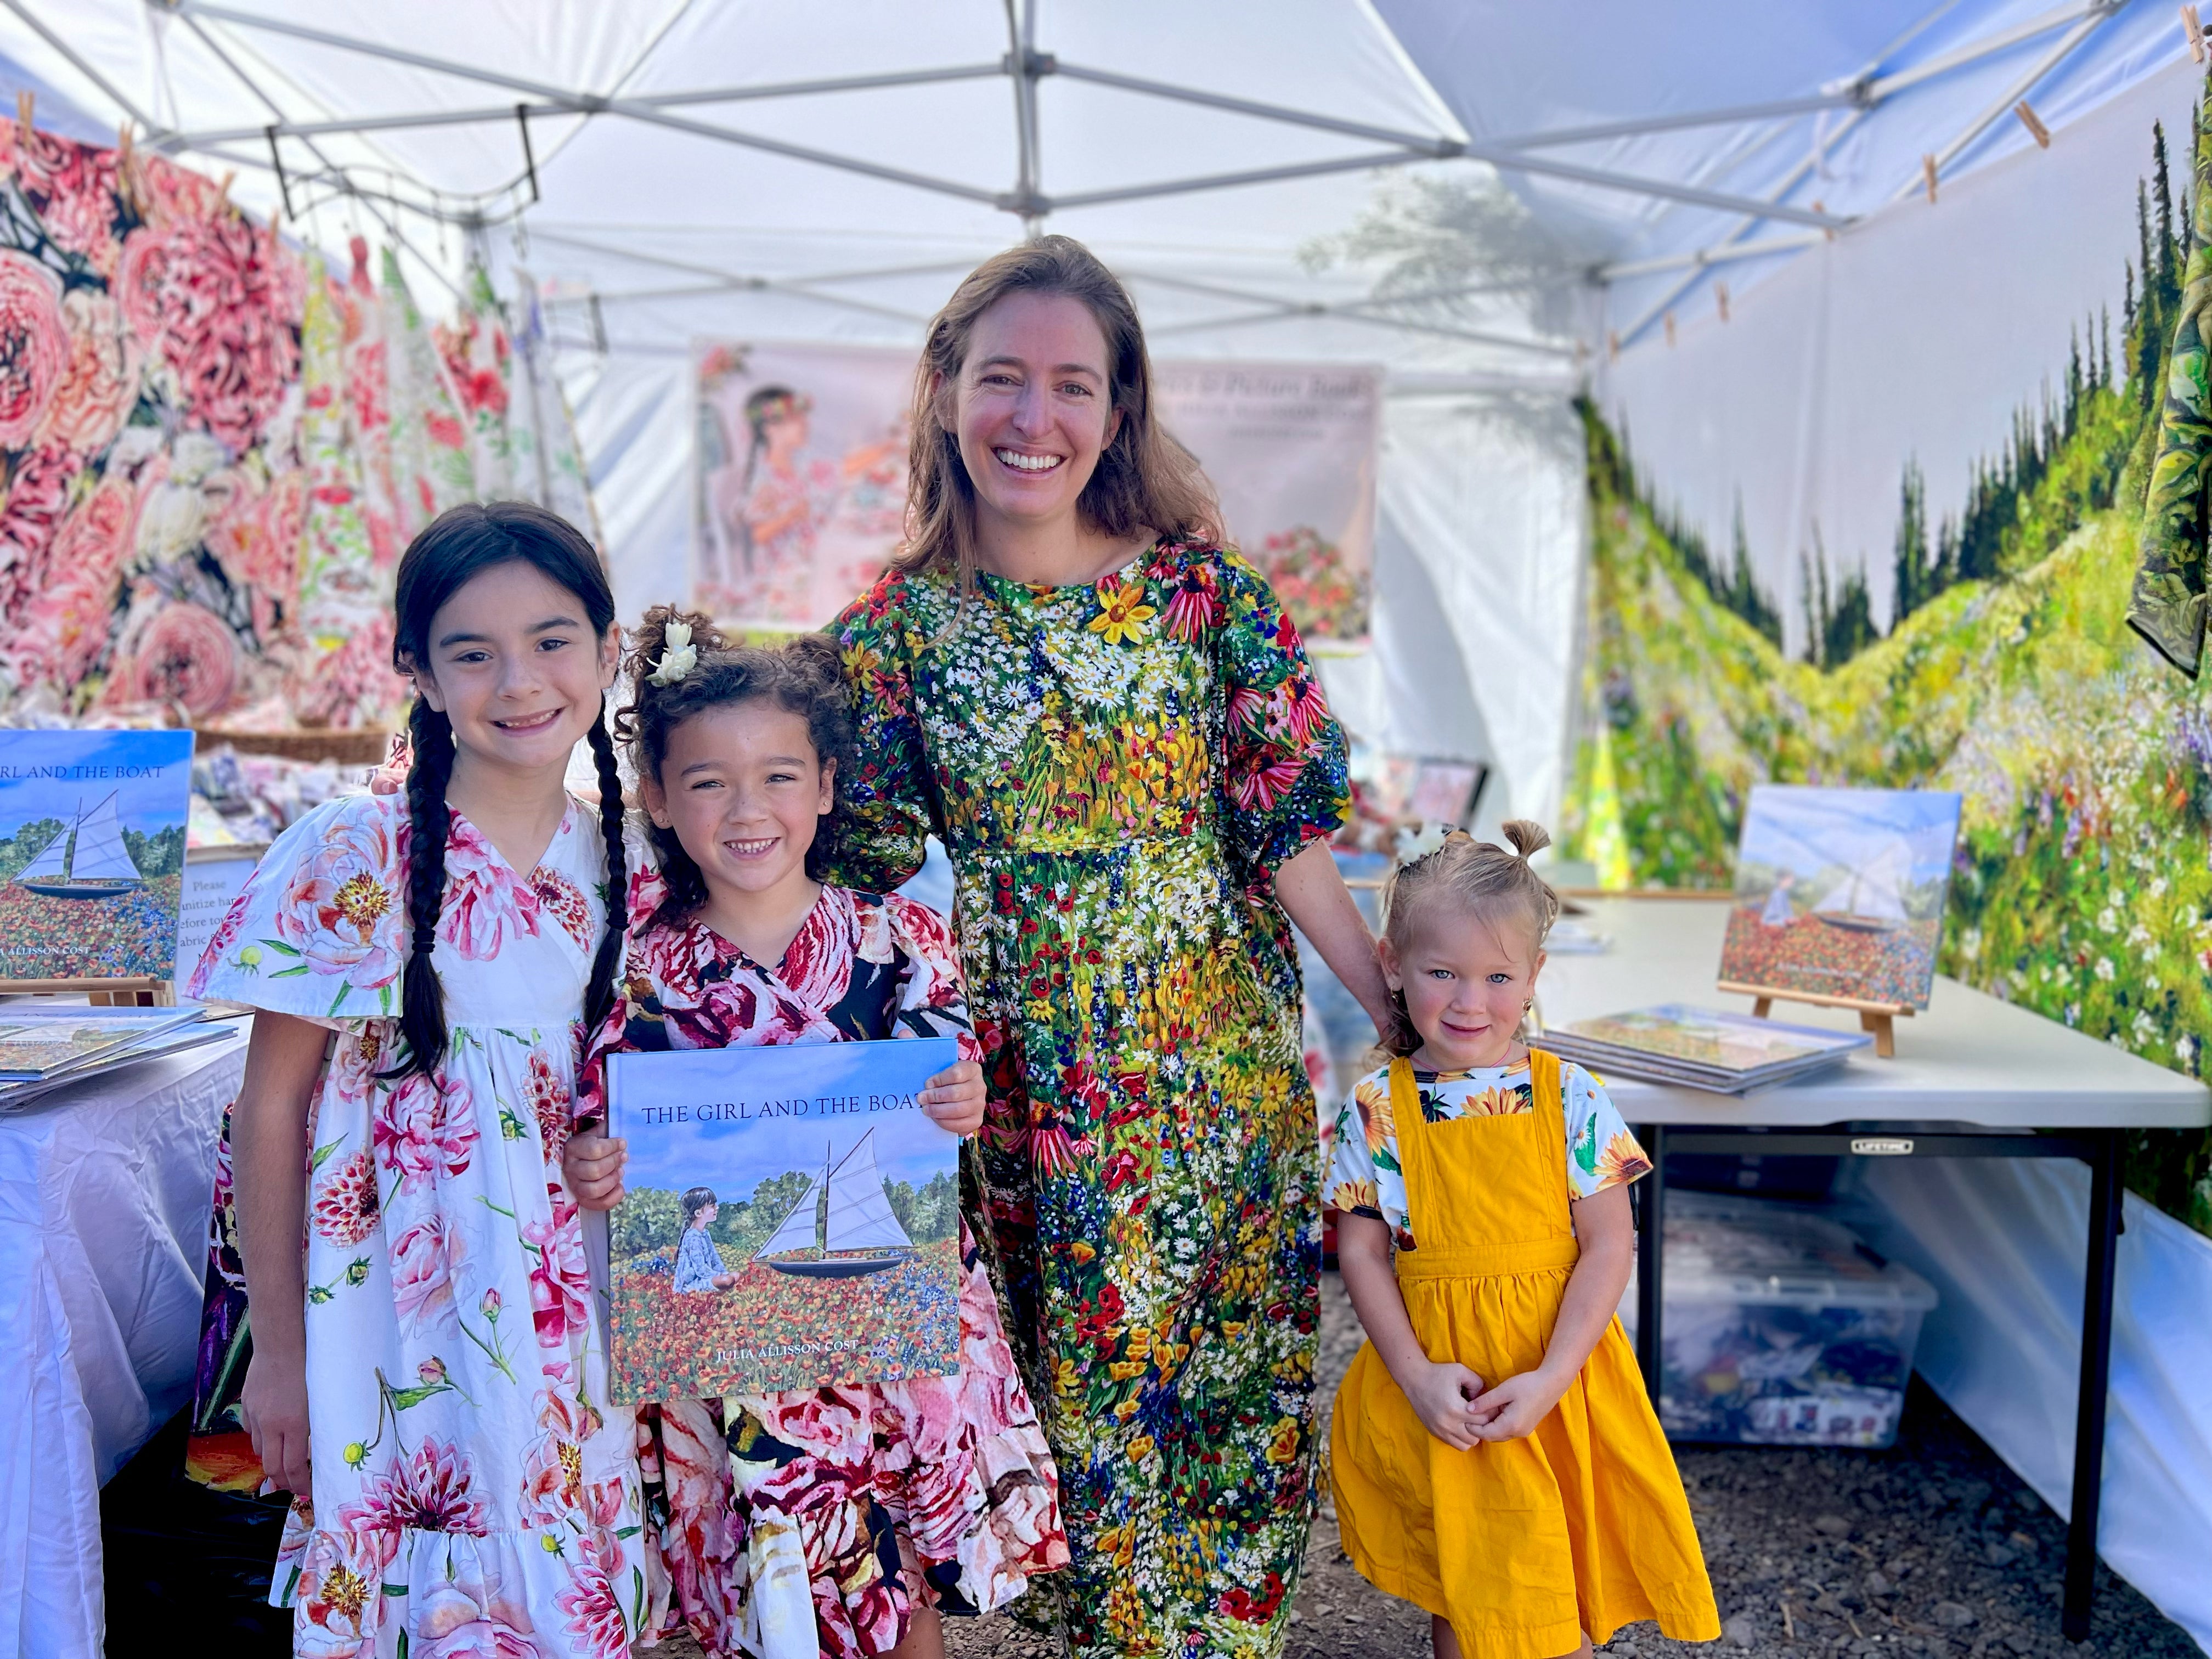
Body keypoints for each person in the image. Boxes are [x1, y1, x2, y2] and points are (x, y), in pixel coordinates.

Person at [828, 234, 1395, 1656]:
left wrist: (1403, 1009)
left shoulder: (1207, 600)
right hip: (1028, 1109)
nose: (1037, 418)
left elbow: (1292, 830)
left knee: (1216, 1432)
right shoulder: (894, 637)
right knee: (1081, 1447)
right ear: (948, 392)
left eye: (1073, 385)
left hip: (1218, 1095)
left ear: (1119, 408)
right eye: (1003, 379)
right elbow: (837, 882)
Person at [188, 501, 650, 1656]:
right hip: (393, 1323)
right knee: (418, 1602)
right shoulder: (351, 852)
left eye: (552, 641)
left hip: (577, 1320)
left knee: (566, 1601)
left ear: (606, 650)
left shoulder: (632, 863)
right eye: (472, 652)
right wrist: (281, 1360)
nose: (520, 680)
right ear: (419, 673)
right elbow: (269, 1111)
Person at [562, 611, 1068, 1659]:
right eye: (706, 782)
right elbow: (598, 1115)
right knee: (769, 1581)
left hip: (885, 1317)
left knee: (894, 1568)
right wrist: (595, 1161)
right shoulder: (639, 965)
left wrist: (958, 1100)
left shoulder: (897, 934)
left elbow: (944, 1068)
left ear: (827, 784)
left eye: (779, 775)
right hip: (729, 1340)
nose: (748, 809)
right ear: (656, 795)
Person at [1325, 821, 1721, 1659]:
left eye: (1497, 976)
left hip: (1557, 1379)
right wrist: (1416, 1375)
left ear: (1535, 977)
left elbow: (1612, 1246)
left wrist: (1552, 1376)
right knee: (1468, 1586)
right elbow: (1360, 1253)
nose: (1470, 1001)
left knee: (1555, 1580)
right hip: (1447, 1384)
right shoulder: (1378, 1109)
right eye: (1443, 973)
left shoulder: (1572, 1096)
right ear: (1393, 964)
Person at [673, 1187, 737, 1293]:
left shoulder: (705, 1233)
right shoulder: (692, 1236)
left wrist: (723, 1273)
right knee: (728, 1280)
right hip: (691, 1285)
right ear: (698, 1213)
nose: (717, 1208)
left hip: (706, 1278)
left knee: (734, 1276)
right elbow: (701, 1270)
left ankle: (721, 1288)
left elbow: (715, 1259)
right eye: (712, 1206)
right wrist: (721, 1276)